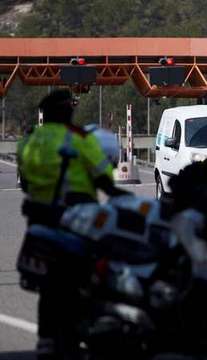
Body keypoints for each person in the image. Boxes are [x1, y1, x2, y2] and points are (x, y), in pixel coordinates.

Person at [17, 89, 128, 360]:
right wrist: (121, 197)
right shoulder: (79, 138)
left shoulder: (30, 140)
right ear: (68, 111)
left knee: (49, 286)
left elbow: (27, 182)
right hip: (77, 218)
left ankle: (45, 340)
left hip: (39, 218)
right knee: (88, 274)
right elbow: (103, 177)